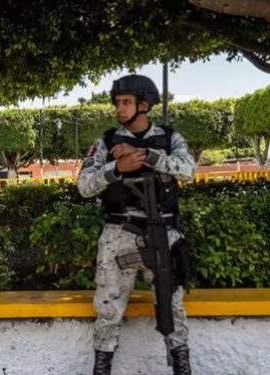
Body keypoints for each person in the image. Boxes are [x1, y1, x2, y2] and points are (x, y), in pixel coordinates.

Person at [77, 75, 195, 375]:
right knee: (107, 311)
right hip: (119, 232)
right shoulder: (105, 142)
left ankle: (182, 367)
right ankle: (101, 368)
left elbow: (188, 170)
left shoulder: (170, 139)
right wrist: (117, 168)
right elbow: (85, 186)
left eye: (126, 102)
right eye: (117, 103)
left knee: (173, 309)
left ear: (144, 105)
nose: (120, 108)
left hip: (163, 232)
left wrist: (147, 157)